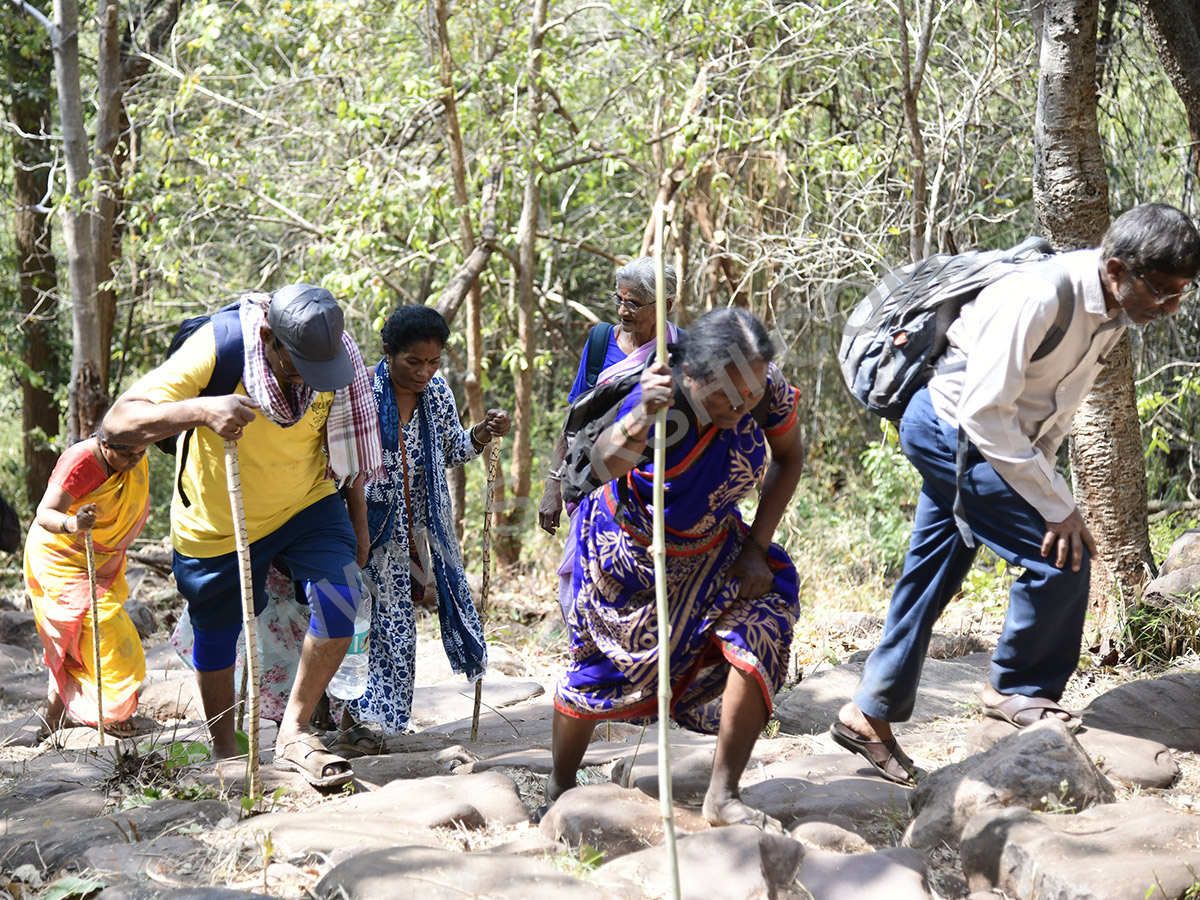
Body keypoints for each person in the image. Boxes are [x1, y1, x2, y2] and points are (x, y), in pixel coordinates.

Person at [833, 203, 1200, 786]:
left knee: (935, 571)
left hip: (999, 440)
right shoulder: (1036, 296)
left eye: (1182, 293)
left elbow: (1052, 413)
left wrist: (1047, 483)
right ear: (1116, 268)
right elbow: (983, 411)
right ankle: (1016, 690)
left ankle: (867, 714)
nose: (1171, 307)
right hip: (951, 430)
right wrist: (1057, 507)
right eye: (1162, 291)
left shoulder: (1111, 314)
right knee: (1061, 556)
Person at [105, 283, 382, 788]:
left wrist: (358, 522)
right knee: (218, 630)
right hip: (217, 522)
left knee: (343, 598)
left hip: (307, 502)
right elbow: (118, 423)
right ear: (268, 337)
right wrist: (201, 409)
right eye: (296, 366)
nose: (307, 381)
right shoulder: (220, 345)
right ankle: (226, 750)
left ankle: (295, 732)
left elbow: (347, 447)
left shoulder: (333, 353)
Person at [544, 308, 805, 830]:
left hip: (717, 548)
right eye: (724, 397)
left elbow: (789, 456)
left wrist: (757, 546)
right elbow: (595, 469)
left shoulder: (761, 386)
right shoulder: (663, 399)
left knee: (764, 626)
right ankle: (559, 786)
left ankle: (723, 794)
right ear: (691, 374)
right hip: (631, 556)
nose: (740, 406)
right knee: (602, 674)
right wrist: (642, 415)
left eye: (749, 395)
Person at [344, 305, 510, 736]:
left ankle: (380, 725)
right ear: (388, 353)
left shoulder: (437, 393)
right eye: (413, 361)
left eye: (433, 362)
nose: (424, 372)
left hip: (417, 535)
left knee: (398, 631)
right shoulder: (359, 390)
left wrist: (482, 432)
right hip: (364, 529)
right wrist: (356, 527)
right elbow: (339, 462)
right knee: (356, 624)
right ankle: (346, 715)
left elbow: (452, 450)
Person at [539, 256, 683, 616]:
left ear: (665, 305)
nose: (622, 310)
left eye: (633, 303)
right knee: (582, 595)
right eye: (619, 300)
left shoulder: (682, 354)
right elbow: (575, 419)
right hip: (592, 490)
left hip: (649, 500)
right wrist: (552, 488)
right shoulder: (602, 341)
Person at [24, 428, 151, 738]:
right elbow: (45, 512)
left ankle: (52, 723)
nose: (134, 462)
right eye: (126, 455)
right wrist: (73, 523)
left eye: (140, 454)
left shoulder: (132, 455)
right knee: (105, 626)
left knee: (74, 640)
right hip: (59, 556)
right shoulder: (80, 462)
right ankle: (113, 712)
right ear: (103, 444)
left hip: (98, 557)